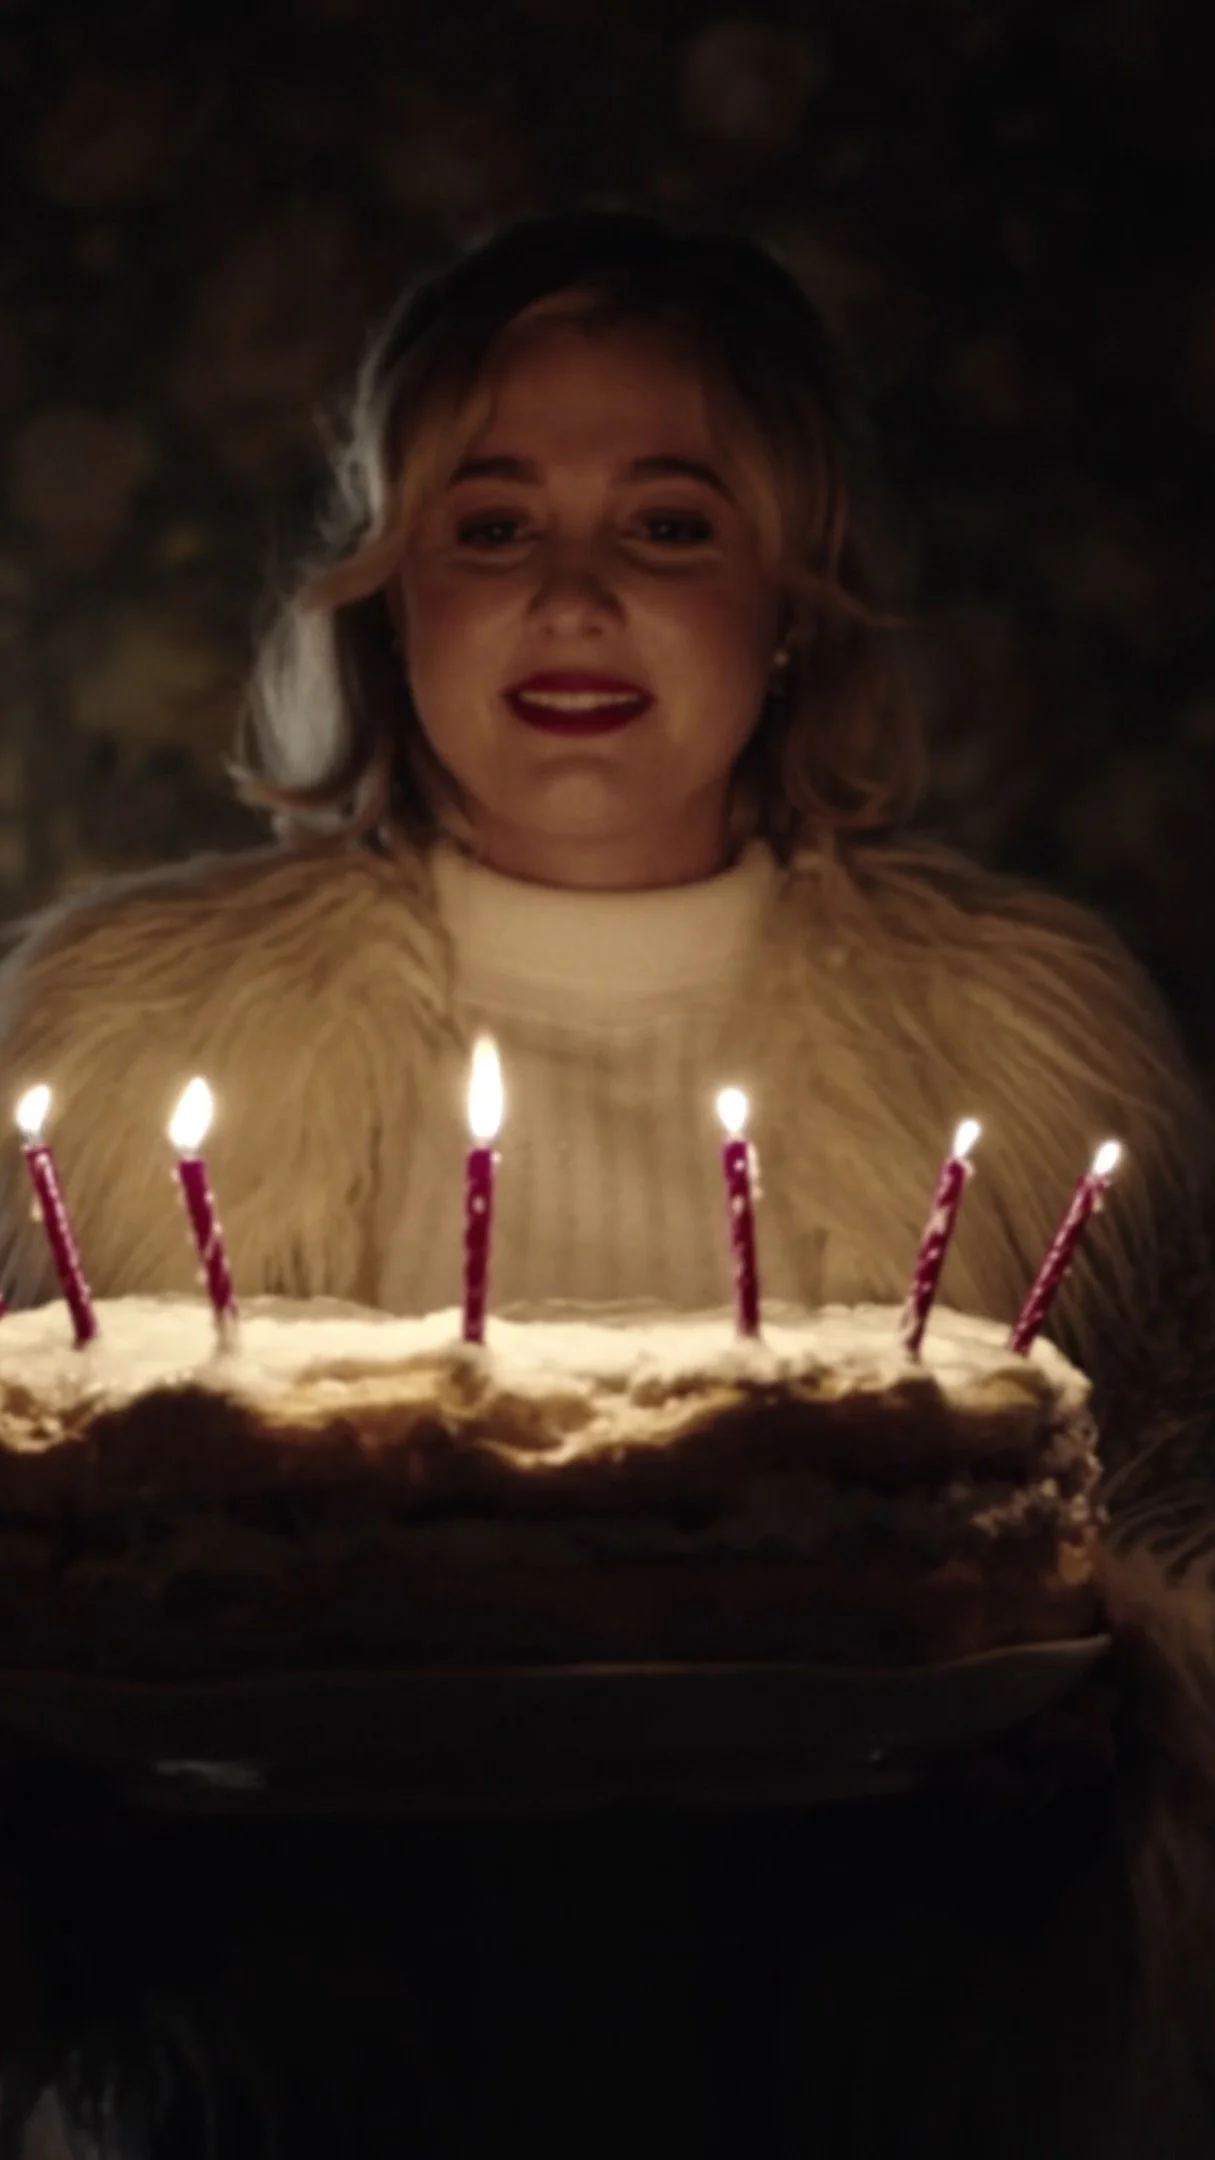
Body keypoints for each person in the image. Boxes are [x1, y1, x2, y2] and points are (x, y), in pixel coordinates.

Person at [1, 209, 1214, 2157]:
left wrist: (1116, 1741)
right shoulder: (121, 1044)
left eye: (668, 524)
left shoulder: (1032, 1051)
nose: (571, 597)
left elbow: (1154, 1573)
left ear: (790, 599)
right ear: (391, 599)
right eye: (488, 527)